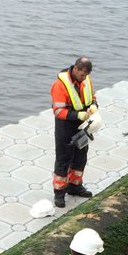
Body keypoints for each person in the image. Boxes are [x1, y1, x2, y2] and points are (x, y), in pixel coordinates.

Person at [51, 57, 98, 209]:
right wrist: (77, 115)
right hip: (66, 126)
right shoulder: (60, 85)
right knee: (64, 159)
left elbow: (92, 97)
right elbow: (58, 111)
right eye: (82, 74)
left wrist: (94, 106)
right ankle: (59, 193)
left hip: (83, 124)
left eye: (86, 75)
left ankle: (75, 186)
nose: (84, 77)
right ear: (76, 69)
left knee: (80, 157)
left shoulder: (86, 80)